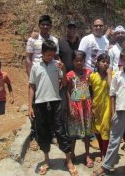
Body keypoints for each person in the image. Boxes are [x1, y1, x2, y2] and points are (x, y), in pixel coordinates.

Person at [92, 48, 125, 176]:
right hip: (119, 112)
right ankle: (106, 166)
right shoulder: (117, 76)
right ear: (121, 61)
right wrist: (113, 112)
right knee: (114, 140)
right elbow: (112, 95)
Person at [28, 40, 77, 176]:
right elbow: (32, 86)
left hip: (55, 102)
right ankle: (47, 160)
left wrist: (63, 69)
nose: (50, 57)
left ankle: (68, 161)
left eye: (52, 55)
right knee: (43, 131)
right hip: (40, 103)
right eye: (48, 55)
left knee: (60, 130)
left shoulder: (57, 65)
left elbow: (65, 83)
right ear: (42, 53)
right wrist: (29, 106)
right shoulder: (35, 67)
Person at [26, 15, 59, 149]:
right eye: (43, 24)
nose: (45, 27)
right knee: (35, 107)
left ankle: (51, 134)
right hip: (37, 73)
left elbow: (56, 57)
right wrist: (31, 77)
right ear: (39, 25)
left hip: (50, 74)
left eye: (48, 24)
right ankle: (35, 135)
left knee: (51, 107)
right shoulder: (32, 39)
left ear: (51, 26)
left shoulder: (54, 40)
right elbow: (28, 58)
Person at [66, 50, 94, 168]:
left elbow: (92, 90)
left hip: (87, 106)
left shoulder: (89, 73)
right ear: (72, 61)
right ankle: (72, 154)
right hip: (74, 107)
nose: (79, 62)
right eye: (76, 60)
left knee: (87, 133)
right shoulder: (69, 75)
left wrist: (92, 106)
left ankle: (87, 155)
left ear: (84, 61)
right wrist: (69, 107)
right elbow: (67, 91)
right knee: (73, 133)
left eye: (81, 60)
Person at [89, 54, 112, 161]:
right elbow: (90, 93)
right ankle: (102, 149)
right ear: (97, 63)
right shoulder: (92, 76)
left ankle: (104, 153)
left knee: (105, 129)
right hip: (96, 107)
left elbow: (111, 88)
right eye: (103, 61)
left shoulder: (112, 74)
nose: (105, 64)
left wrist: (109, 74)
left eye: (107, 62)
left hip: (108, 107)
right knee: (97, 130)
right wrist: (91, 107)